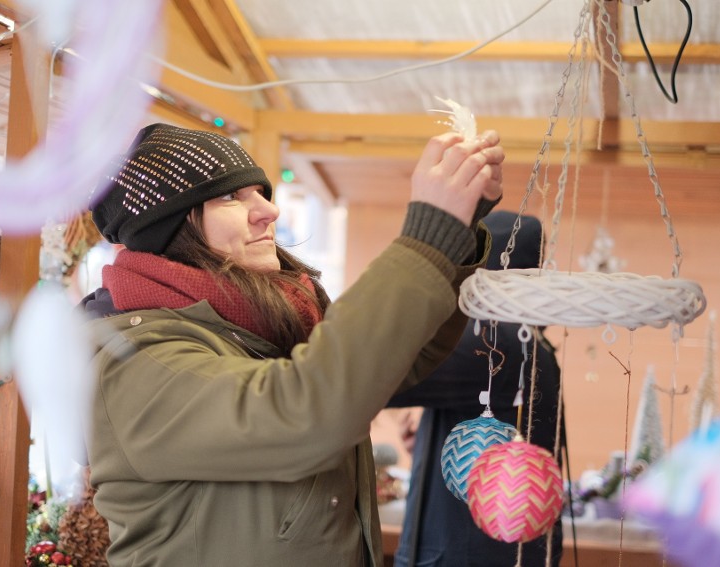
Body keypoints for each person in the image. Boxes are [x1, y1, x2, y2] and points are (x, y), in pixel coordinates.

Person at [81, 122, 505, 566]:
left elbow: (393, 363)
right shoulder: (132, 363)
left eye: (260, 192)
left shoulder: (262, 329)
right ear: (167, 228)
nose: (269, 210)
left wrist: (457, 230)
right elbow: (305, 411)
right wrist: (426, 239)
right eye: (230, 196)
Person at [388, 210, 564, 567]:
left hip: (466, 556)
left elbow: (380, 379)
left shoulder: (496, 339)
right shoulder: (528, 339)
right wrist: (429, 435)